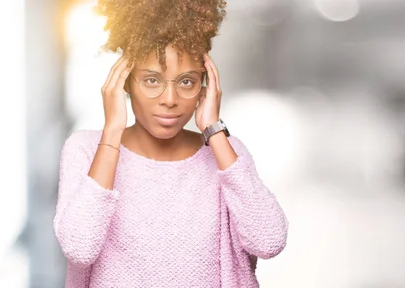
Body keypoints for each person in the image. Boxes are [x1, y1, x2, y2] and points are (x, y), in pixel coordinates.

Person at [52, 0, 288, 287]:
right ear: (124, 82)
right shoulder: (85, 150)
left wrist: (214, 131)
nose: (170, 99)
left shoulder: (226, 153)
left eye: (186, 82)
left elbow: (270, 240)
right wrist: (112, 131)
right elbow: (79, 247)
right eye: (152, 80)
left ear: (206, 85)